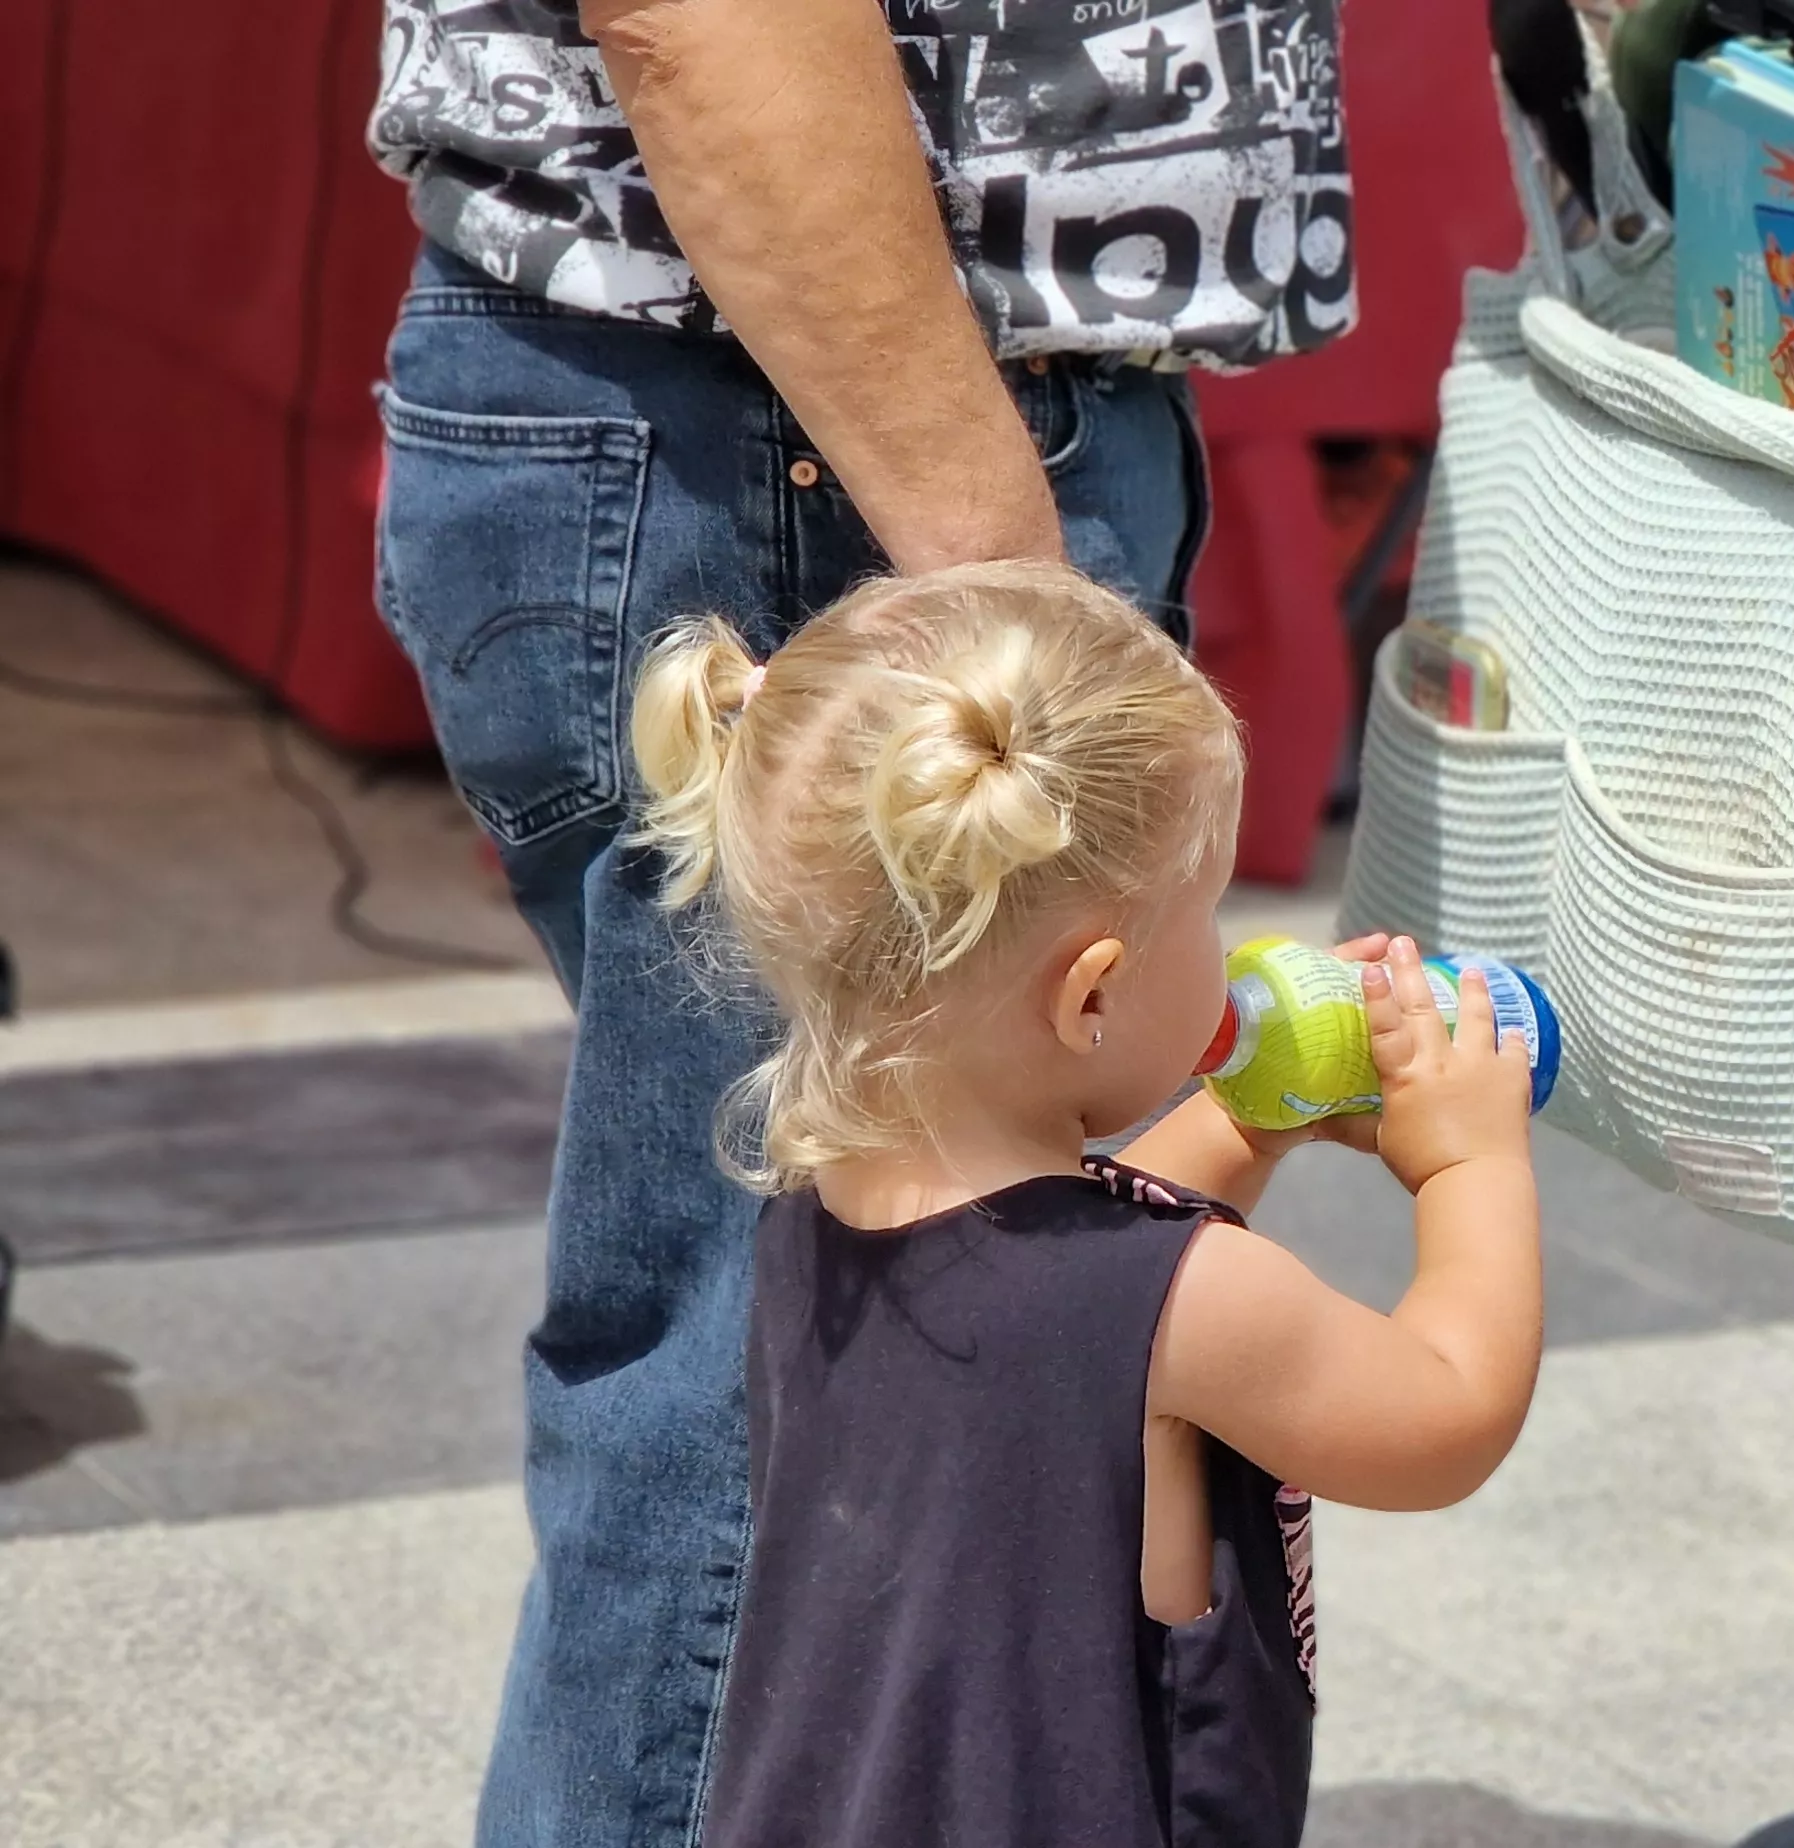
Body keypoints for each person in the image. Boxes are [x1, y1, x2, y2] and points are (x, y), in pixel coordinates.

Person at [362, 3, 1352, 1838]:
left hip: (845, 430)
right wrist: (1006, 600)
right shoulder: (965, 635)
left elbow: (1035, 1274)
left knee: (793, 1329)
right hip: (823, 434)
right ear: (1100, 974)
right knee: (732, 1386)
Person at [624, 562, 1544, 1844]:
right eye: (1207, 912)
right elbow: (1445, 1414)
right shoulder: (1194, 1299)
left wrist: (1242, 1118)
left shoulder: (821, 1211)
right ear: (1093, 994)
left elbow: (1053, 1281)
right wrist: (1470, 1164)